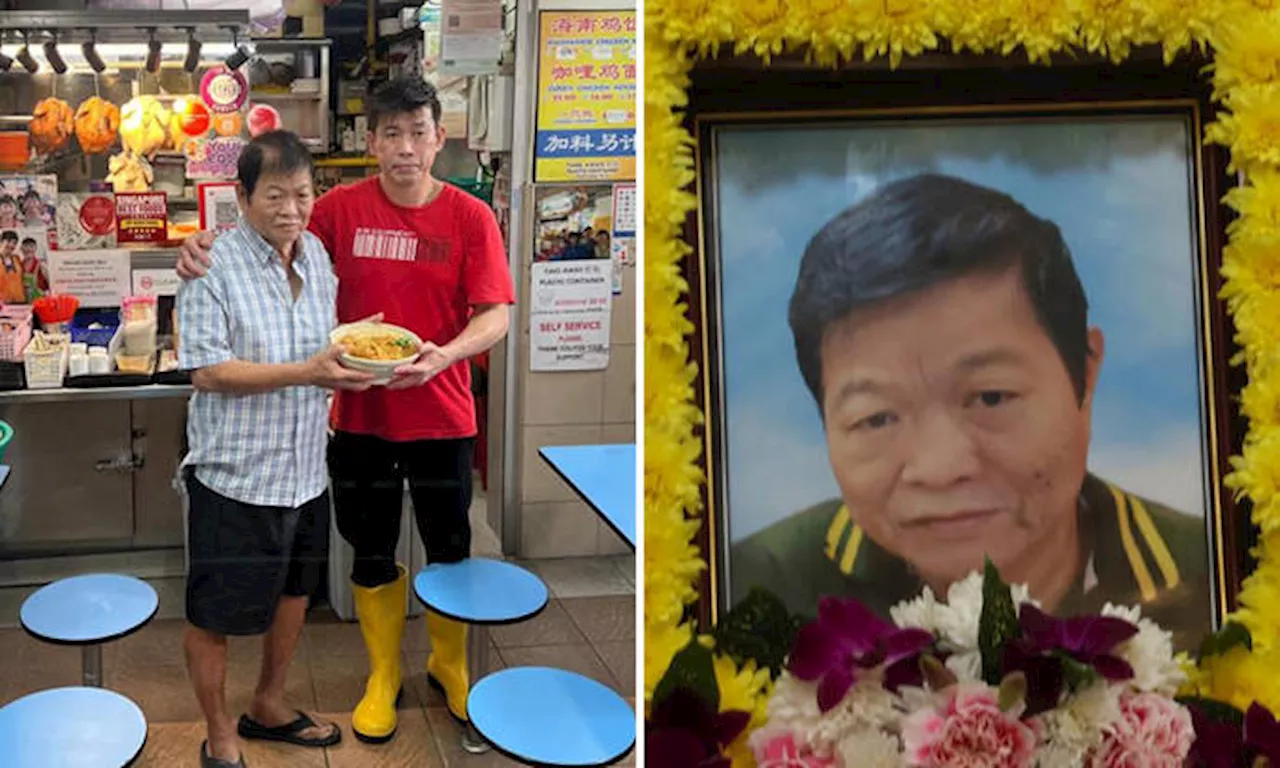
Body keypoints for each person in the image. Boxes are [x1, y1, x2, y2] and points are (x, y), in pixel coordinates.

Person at [731, 173, 1211, 650]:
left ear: (1084, 374)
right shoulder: (754, 589)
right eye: (876, 418)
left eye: (991, 397)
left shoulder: (1220, 575)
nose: (939, 470)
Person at [177, 77, 514, 745]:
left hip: (444, 413)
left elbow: (497, 313)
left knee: (450, 548)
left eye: (419, 132)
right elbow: (270, 229)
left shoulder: (471, 216)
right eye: (391, 133)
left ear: (439, 138)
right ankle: (382, 675)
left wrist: (446, 355)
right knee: (371, 550)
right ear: (370, 142)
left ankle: (450, 667)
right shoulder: (335, 208)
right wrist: (198, 245)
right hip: (357, 422)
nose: (406, 147)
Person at [177, 130, 377, 767]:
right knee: (215, 613)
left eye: (302, 194)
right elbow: (208, 371)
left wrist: (356, 350)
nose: (291, 209)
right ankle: (218, 730)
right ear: (241, 196)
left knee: (294, 594)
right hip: (237, 475)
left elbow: (325, 344)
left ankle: (268, 702)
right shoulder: (212, 265)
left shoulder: (316, 254)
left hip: (303, 469)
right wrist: (309, 372)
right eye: (274, 195)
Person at [0, 231, 25, 303]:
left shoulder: (17, 259)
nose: (11, 245)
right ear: (1, 242)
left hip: (20, 300)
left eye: (14, 243)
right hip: (3, 304)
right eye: (8, 241)